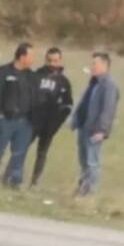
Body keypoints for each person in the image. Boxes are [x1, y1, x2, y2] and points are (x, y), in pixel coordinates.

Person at [69, 51, 119, 197]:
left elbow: (108, 109)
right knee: (84, 161)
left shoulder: (109, 85)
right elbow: (84, 102)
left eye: (95, 63)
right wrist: (75, 119)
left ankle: (90, 192)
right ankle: (82, 188)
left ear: (104, 65)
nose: (92, 66)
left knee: (92, 162)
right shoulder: (93, 82)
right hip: (84, 127)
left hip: (94, 130)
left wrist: (102, 130)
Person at [0, 43, 35, 187]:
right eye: (31, 56)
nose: (33, 59)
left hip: (24, 122)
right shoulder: (4, 72)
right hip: (6, 120)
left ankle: (14, 181)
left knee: (19, 153)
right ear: (21, 57)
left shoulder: (30, 76)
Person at [29, 46, 74, 188]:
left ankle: (34, 182)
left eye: (55, 61)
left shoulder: (64, 82)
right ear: (45, 60)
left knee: (42, 153)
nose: (52, 64)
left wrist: (57, 122)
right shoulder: (36, 76)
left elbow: (67, 105)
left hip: (50, 124)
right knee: (21, 147)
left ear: (60, 61)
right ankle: (12, 175)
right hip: (33, 120)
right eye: (49, 60)